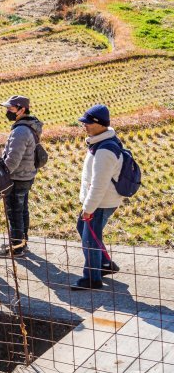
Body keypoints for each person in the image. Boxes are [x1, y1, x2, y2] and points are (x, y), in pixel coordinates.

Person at [74, 104, 123, 290]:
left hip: (101, 202)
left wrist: (88, 209)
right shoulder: (101, 142)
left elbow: (99, 185)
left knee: (90, 239)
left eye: (88, 123)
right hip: (99, 200)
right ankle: (103, 263)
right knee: (83, 228)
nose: (84, 125)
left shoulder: (104, 150)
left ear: (100, 124)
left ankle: (92, 279)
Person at [0, 95, 43, 258]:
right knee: (22, 210)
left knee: (14, 212)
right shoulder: (29, 126)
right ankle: (22, 242)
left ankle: (16, 248)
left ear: (22, 110)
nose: (8, 111)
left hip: (17, 177)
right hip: (27, 175)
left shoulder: (20, 131)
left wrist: (1, 176)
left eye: (11, 108)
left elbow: (12, 160)